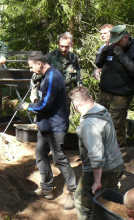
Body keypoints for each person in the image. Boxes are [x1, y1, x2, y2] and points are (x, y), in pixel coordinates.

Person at [20, 52, 76, 209]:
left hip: (56, 125)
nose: (31, 70)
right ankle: (47, 188)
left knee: (59, 158)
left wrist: (27, 106)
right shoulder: (45, 76)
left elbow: (45, 104)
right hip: (46, 124)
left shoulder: (52, 77)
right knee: (40, 153)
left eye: (32, 67)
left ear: (39, 64)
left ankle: (73, 192)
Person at [68, 86, 124, 220]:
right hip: (117, 165)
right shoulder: (101, 110)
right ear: (91, 98)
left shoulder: (89, 124)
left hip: (103, 170)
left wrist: (97, 181)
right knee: (109, 202)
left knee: (81, 202)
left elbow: (96, 156)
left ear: (76, 107)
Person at [95, 25, 134, 148]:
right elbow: (98, 64)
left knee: (116, 123)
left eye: (117, 41)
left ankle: (119, 152)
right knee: (97, 117)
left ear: (126, 37)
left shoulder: (132, 49)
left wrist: (122, 55)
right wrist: (103, 54)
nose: (114, 44)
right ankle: (100, 148)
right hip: (105, 91)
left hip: (121, 94)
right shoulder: (112, 46)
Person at [46, 32, 82, 109]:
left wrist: (79, 96)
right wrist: (34, 93)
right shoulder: (50, 57)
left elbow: (78, 78)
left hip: (66, 96)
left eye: (66, 47)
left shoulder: (73, 58)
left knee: (64, 118)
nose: (63, 49)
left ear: (71, 45)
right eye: (61, 46)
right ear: (58, 44)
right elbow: (38, 75)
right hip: (51, 94)